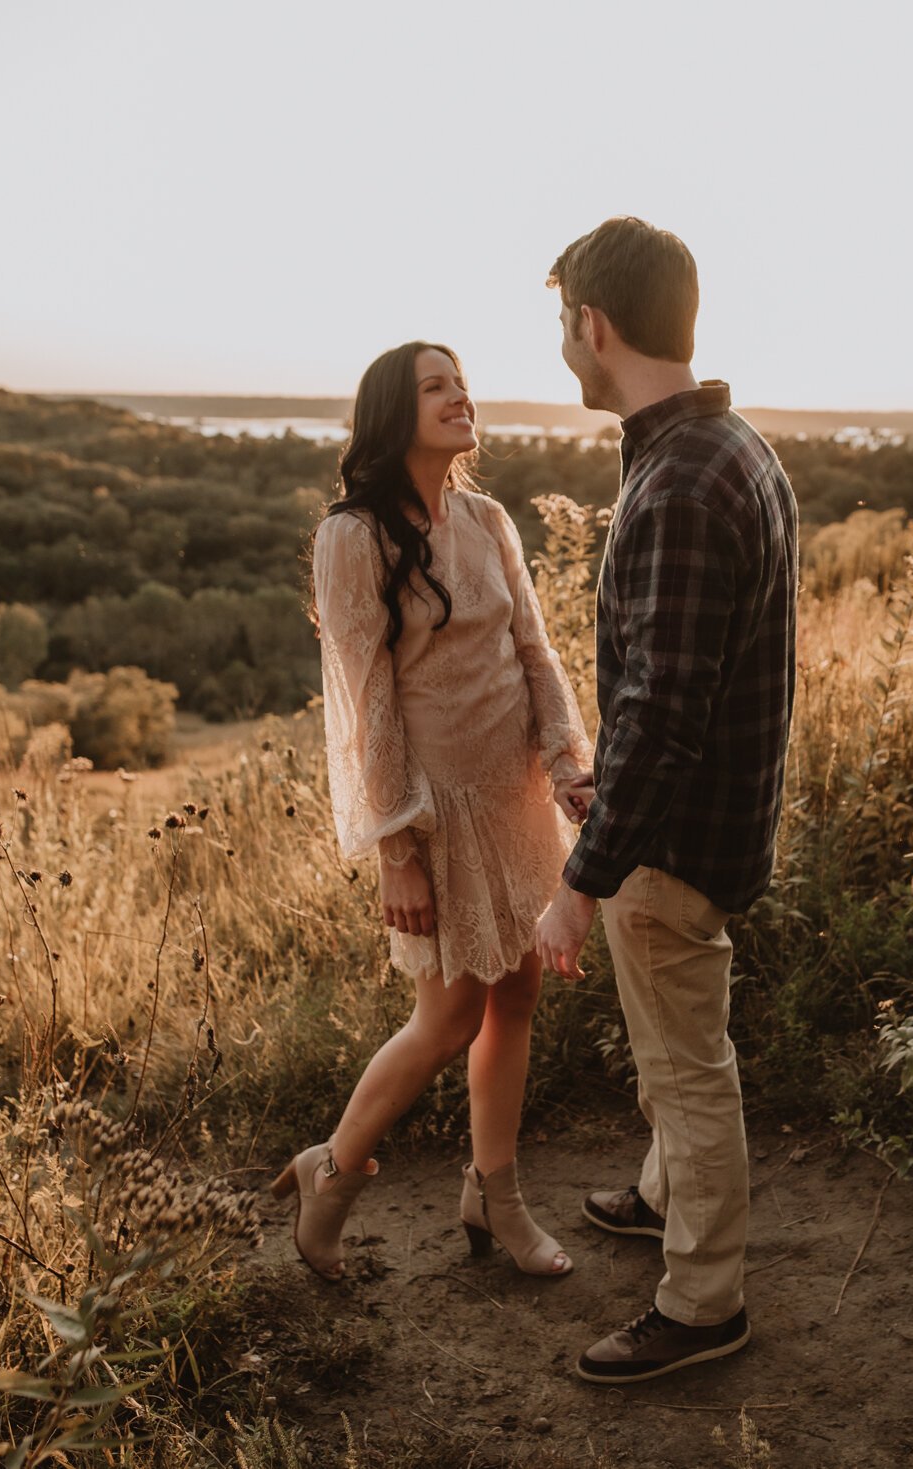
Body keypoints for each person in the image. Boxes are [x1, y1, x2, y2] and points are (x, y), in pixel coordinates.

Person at [534, 218, 800, 1383]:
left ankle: (702, 1301)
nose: (560, 347)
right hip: (704, 814)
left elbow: (663, 712)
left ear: (595, 326)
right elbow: (690, 678)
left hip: (676, 844)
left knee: (688, 1065)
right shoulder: (729, 445)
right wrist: (625, 785)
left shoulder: (680, 482)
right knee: (677, 1039)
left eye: (561, 325)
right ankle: (658, 1194)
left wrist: (581, 879)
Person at [272, 340, 595, 1283]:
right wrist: (396, 846)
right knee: (449, 1015)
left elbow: (537, 653)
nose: (460, 395)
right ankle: (331, 1172)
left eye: (462, 381)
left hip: (519, 798)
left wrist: (568, 764)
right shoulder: (353, 536)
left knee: (518, 996)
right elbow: (368, 701)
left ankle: (495, 1195)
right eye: (435, 386)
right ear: (390, 412)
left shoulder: (490, 519)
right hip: (437, 813)